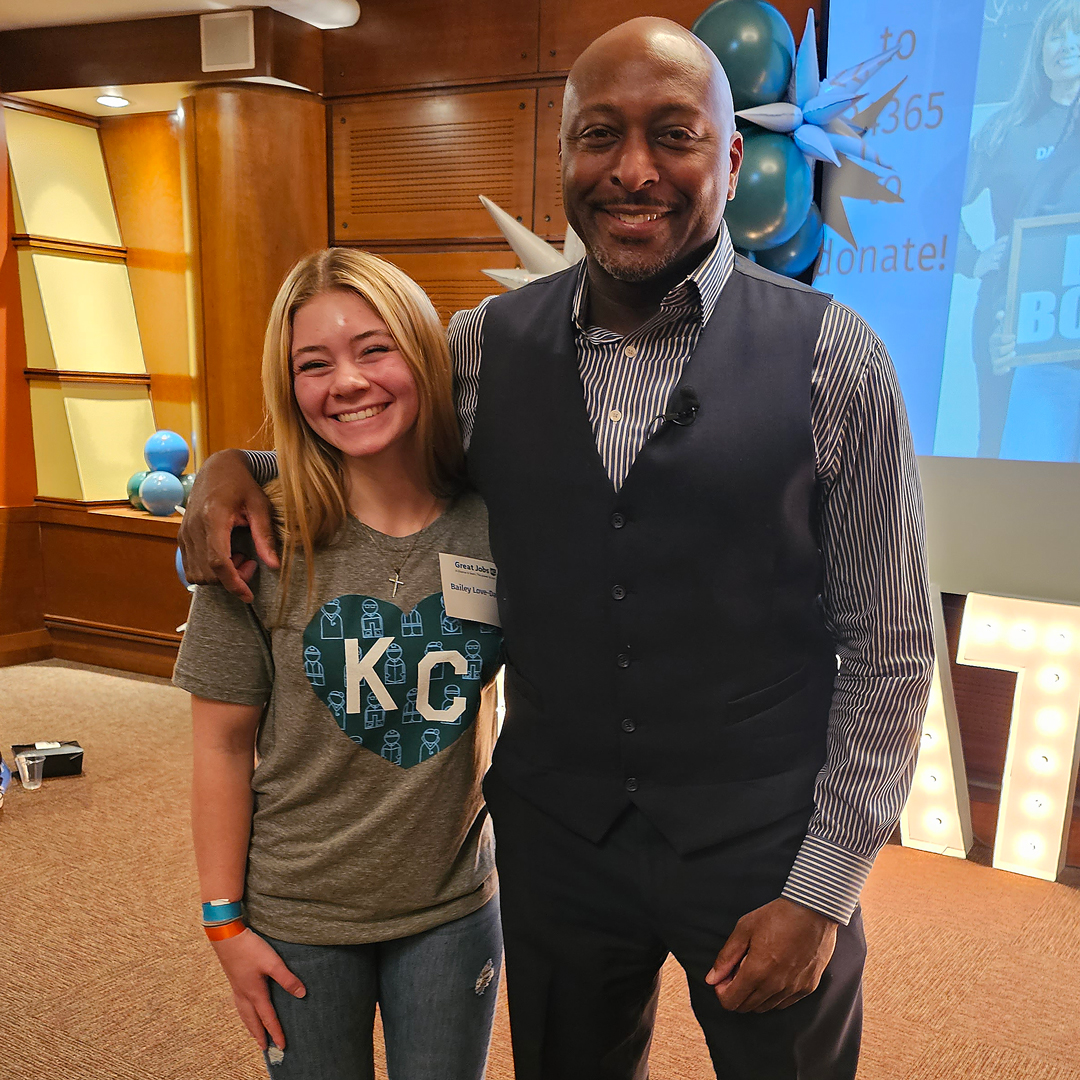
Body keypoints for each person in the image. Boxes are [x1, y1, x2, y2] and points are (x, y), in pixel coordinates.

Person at [179, 18, 934, 1080]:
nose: (633, 169)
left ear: (729, 158)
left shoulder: (835, 358)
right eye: (600, 134)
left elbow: (892, 649)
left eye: (673, 134)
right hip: (557, 846)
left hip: (763, 847)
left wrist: (826, 888)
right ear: (566, 155)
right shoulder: (482, 348)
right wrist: (230, 470)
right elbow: (361, 434)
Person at [173, 248, 505, 1080]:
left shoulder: (494, 524)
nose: (346, 382)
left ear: (422, 355)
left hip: (452, 905)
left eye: (373, 349)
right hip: (298, 915)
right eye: (312, 364)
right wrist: (223, 922)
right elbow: (220, 745)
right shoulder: (255, 539)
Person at [956, 0, 1080, 456]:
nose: (1066, 45)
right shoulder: (1006, 129)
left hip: (1072, 313)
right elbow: (938, 204)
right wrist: (973, 260)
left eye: (1076, 32)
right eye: (1054, 35)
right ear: (1039, 49)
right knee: (997, 449)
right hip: (1004, 317)